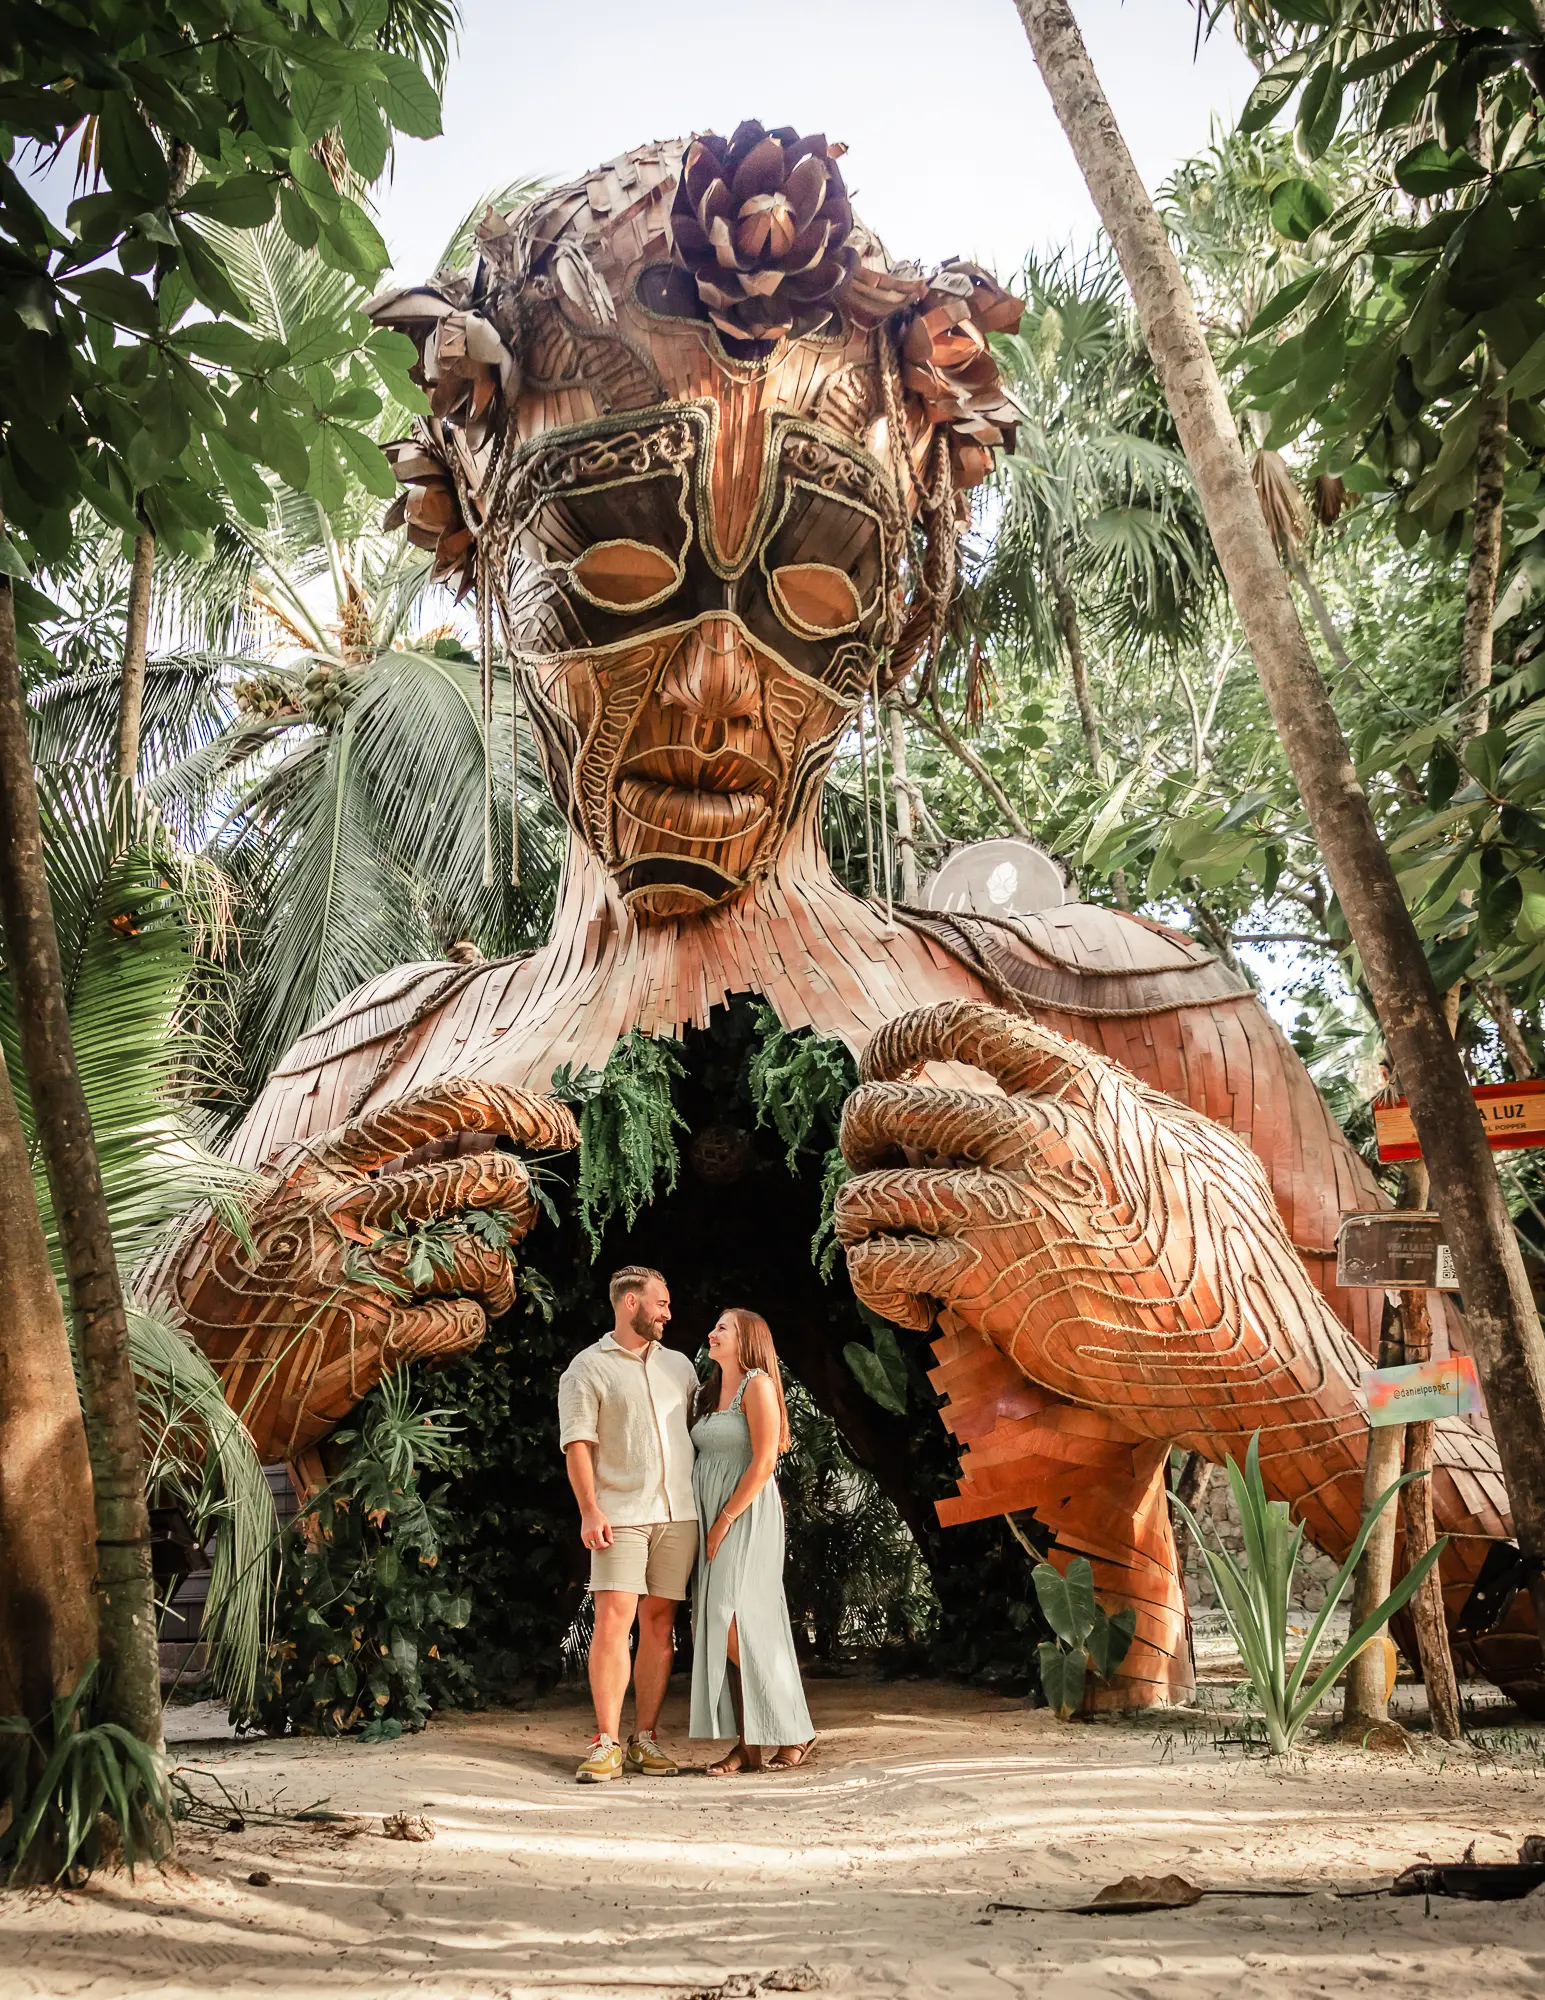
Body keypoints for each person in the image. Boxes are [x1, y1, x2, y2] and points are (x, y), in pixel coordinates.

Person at [557, 1265, 699, 1783]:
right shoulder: (586, 1368)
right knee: (614, 1621)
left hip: (679, 1513)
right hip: (620, 1514)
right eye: (661, 1303)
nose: (668, 1313)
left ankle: (645, 1739)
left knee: (660, 1625)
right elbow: (577, 1444)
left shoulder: (680, 1366)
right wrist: (589, 1510)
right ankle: (606, 1743)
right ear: (631, 1303)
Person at [689, 1308, 815, 1775]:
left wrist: (724, 1519)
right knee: (720, 1625)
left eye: (722, 1328)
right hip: (711, 1516)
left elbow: (764, 1462)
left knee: (730, 1622)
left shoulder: (757, 1385)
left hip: (744, 1516)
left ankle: (795, 1728)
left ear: (747, 1340)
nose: (712, 1333)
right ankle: (749, 1745)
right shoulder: (706, 1393)